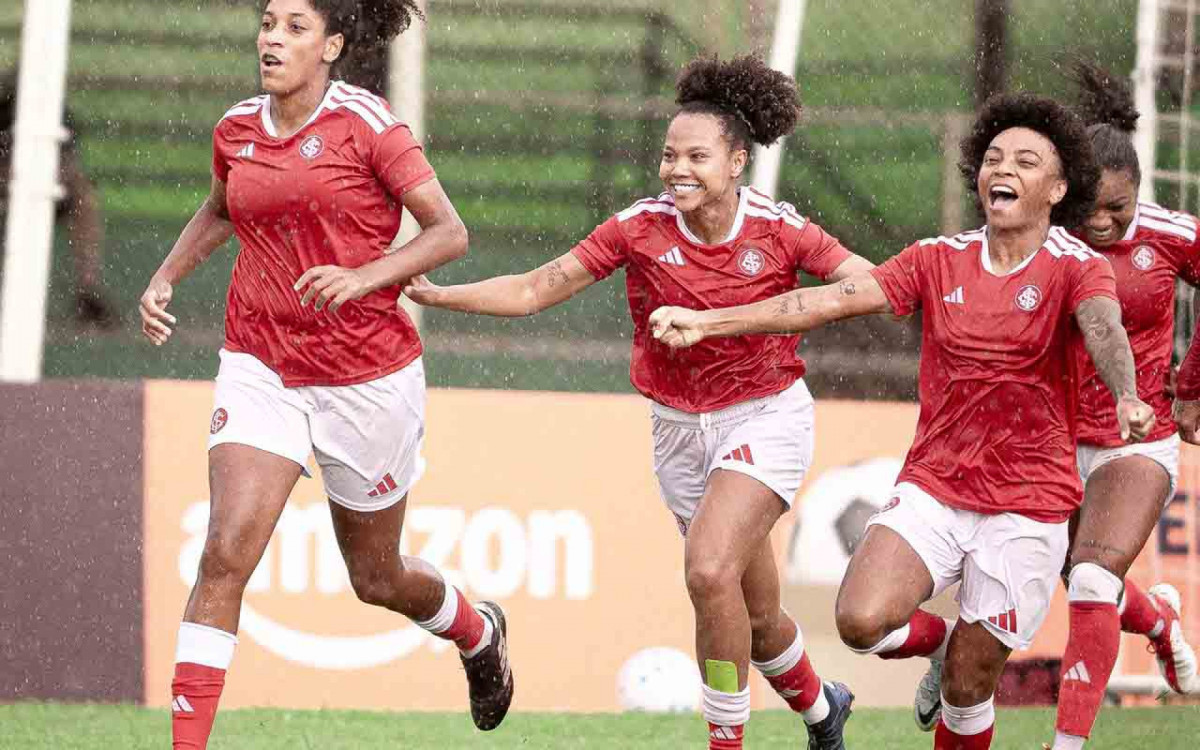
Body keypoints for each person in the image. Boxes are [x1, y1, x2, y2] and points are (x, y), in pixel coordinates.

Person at [649, 92, 1156, 750]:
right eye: (994, 157)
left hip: (1029, 505)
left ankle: (962, 665)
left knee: (970, 687)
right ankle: (942, 642)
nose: (1003, 169)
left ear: (1058, 188)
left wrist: (1127, 394)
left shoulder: (1076, 266)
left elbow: (1105, 328)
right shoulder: (936, 258)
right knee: (859, 620)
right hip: (936, 488)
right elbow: (824, 301)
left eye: (1026, 161)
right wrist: (709, 321)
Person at [405, 54, 863, 750]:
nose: (676, 168)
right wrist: (442, 295)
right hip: (679, 430)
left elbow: (861, 284)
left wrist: (728, 321)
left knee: (709, 570)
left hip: (765, 415)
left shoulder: (779, 229)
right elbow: (537, 288)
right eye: (668, 154)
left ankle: (725, 742)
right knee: (758, 614)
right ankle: (823, 710)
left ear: (738, 161)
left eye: (697, 156)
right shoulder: (639, 228)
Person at [136, 2, 512, 748]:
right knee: (224, 553)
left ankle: (476, 631)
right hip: (261, 364)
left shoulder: (368, 125)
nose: (273, 39)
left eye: (295, 27)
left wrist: (365, 276)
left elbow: (449, 233)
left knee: (377, 579)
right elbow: (220, 208)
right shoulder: (237, 127)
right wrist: (166, 275)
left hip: (366, 377)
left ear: (332, 46)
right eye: (268, 23)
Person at [912, 62, 1200, 750]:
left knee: (1094, 577)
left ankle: (1066, 743)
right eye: (1089, 211)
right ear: (1060, 194)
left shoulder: (1170, 234)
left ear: (1139, 196)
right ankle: (1156, 619)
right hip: (1044, 444)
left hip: (1138, 438)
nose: (1103, 224)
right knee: (1044, 587)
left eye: (1119, 210)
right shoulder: (1031, 243)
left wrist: (1189, 386)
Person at [1, 73, 116, 327]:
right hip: (11, 187)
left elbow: (68, 158)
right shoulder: (6, 106)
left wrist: (54, 180)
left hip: (47, 186)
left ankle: (88, 291)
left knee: (84, 199)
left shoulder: (56, 111)